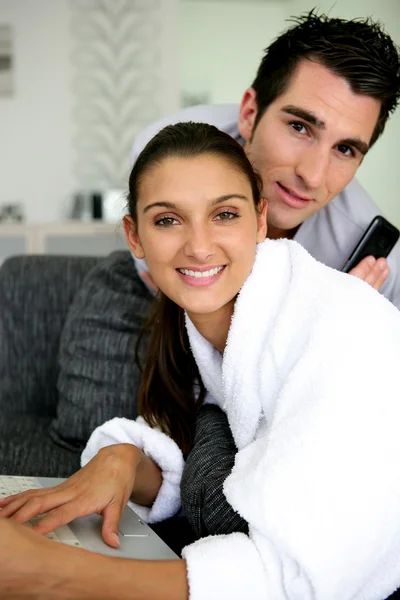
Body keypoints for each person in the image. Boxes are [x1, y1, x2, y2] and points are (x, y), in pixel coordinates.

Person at [2, 122, 400, 600]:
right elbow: (193, 449)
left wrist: (51, 570)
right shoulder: (201, 328)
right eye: (168, 220)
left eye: (225, 214)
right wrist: (123, 459)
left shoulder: (342, 328)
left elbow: (301, 581)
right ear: (135, 237)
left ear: (259, 220)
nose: (199, 246)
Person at [132, 11, 400, 308]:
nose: (312, 176)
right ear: (249, 114)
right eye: (300, 127)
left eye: (345, 149)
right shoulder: (163, 160)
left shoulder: (375, 263)